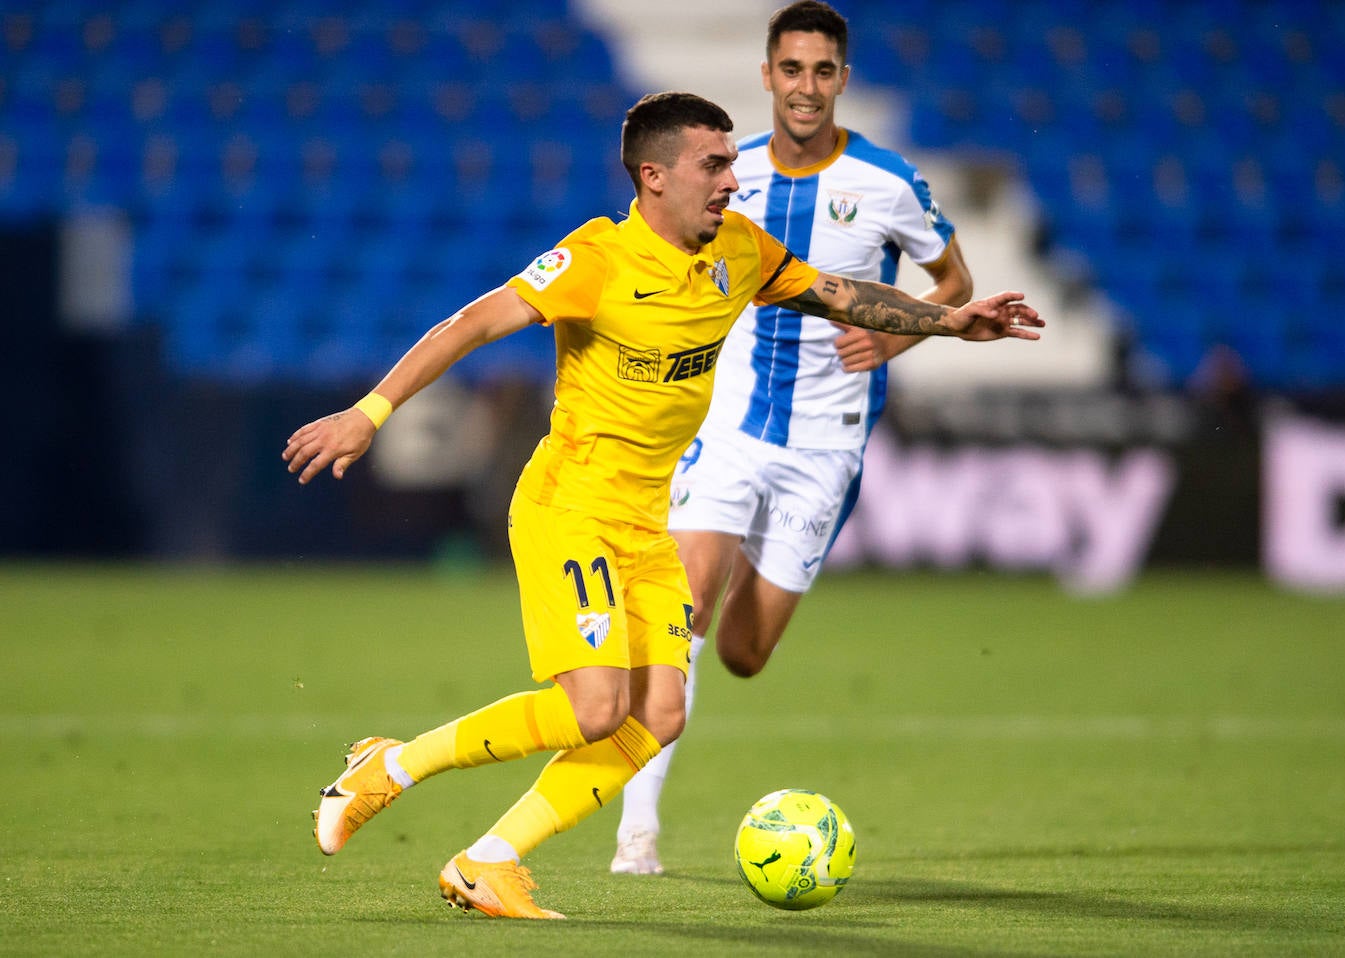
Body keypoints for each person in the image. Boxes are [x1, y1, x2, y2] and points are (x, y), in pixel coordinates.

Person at [283, 91, 1041, 920]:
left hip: (647, 517)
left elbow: (839, 293)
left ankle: (488, 862)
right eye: (713, 166)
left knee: (660, 715)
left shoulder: (740, 251)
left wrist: (948, 319)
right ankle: (388, 768)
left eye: (731, 163)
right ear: (654, 176)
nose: (731, 180)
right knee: (597, 709)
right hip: (569, 504)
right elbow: (467, 325)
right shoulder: (596, 262)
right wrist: (370, 413)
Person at [611, 1, 975, 876]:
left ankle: (722, 635)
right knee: (684, 611)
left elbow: (954, 282)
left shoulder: (889, 182)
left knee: (742, 654)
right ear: (767, 74)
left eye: (823, 71)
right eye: (791, 69)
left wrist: (893, 337)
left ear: (842, 80)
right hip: (728, 425)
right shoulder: (726, 179)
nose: (806, 87)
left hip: (828, 440)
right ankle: (637, 833)